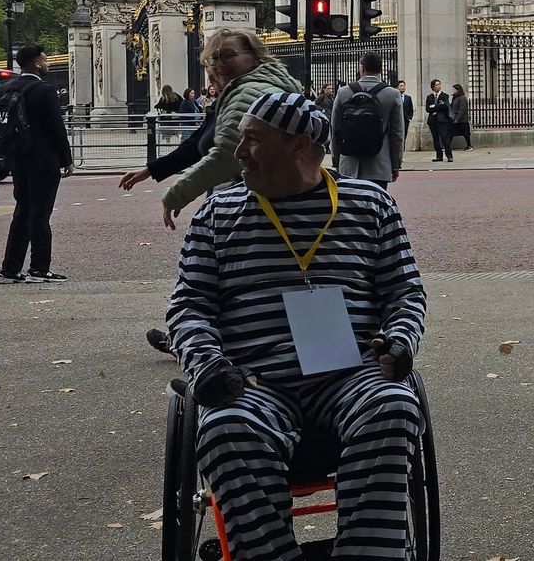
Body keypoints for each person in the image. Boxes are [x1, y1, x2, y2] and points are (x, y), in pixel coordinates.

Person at [166, 91, 425, 561]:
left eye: (252, 140)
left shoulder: (370, 205)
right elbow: (189, 305)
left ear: (300, 145)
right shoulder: (217, 213)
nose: (238, 152)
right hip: (254, 381)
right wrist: (207, 364)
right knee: (225, 427)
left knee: (394, 405)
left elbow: (404, 291)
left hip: (350, 375)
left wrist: (401, 339)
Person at [160, 31, 308, 231]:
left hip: (249, 202)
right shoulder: (259, 86)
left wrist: (177, 194)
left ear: (254, 56)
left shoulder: (247, 93)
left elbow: (228, 155)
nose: (220, 63)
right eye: (214, 58)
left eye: (229, 55)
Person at [0, 45, 75, 284]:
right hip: (43, 161)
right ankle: (39, 268)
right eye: (45, 59)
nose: (47, 63)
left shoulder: (5, 89)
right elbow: (56, 127)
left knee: (21, 213)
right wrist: (67, 159)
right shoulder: (45, 90)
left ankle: (9, 269)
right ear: (36, 63)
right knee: (40, 215)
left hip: (18, 159)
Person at [331, 53, 406, 188]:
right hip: (379, 165)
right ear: (381, 69)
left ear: (362, 68)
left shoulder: (343, 92)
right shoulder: (392, 94)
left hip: (349, 164)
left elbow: (335, 129)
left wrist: (336, 160)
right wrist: (396, 164)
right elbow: (397, 133)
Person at [426, 79, 454, 162]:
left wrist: (434, 106)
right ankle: (439, 156)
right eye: (437, 85)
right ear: (433, 87)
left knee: (444, 138)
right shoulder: (429, 97)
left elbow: (445, 106)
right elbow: (427, 109)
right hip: (432, 120)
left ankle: (449, 155)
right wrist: (438, 106)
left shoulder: (444, 96)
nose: (438, 86)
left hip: (442, 120)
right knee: (436, 138)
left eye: (439, 84)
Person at [449, 84, 473, 151]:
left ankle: (469, 145)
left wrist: (457, 119)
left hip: (462, 120)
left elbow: (462, 109)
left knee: (465, 134)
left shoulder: (462, 98)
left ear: (458, 90)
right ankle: (447, 146)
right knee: (451, 132)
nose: (453, 90)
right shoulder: (455, 97)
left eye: (454, 89)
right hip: (455, 118)